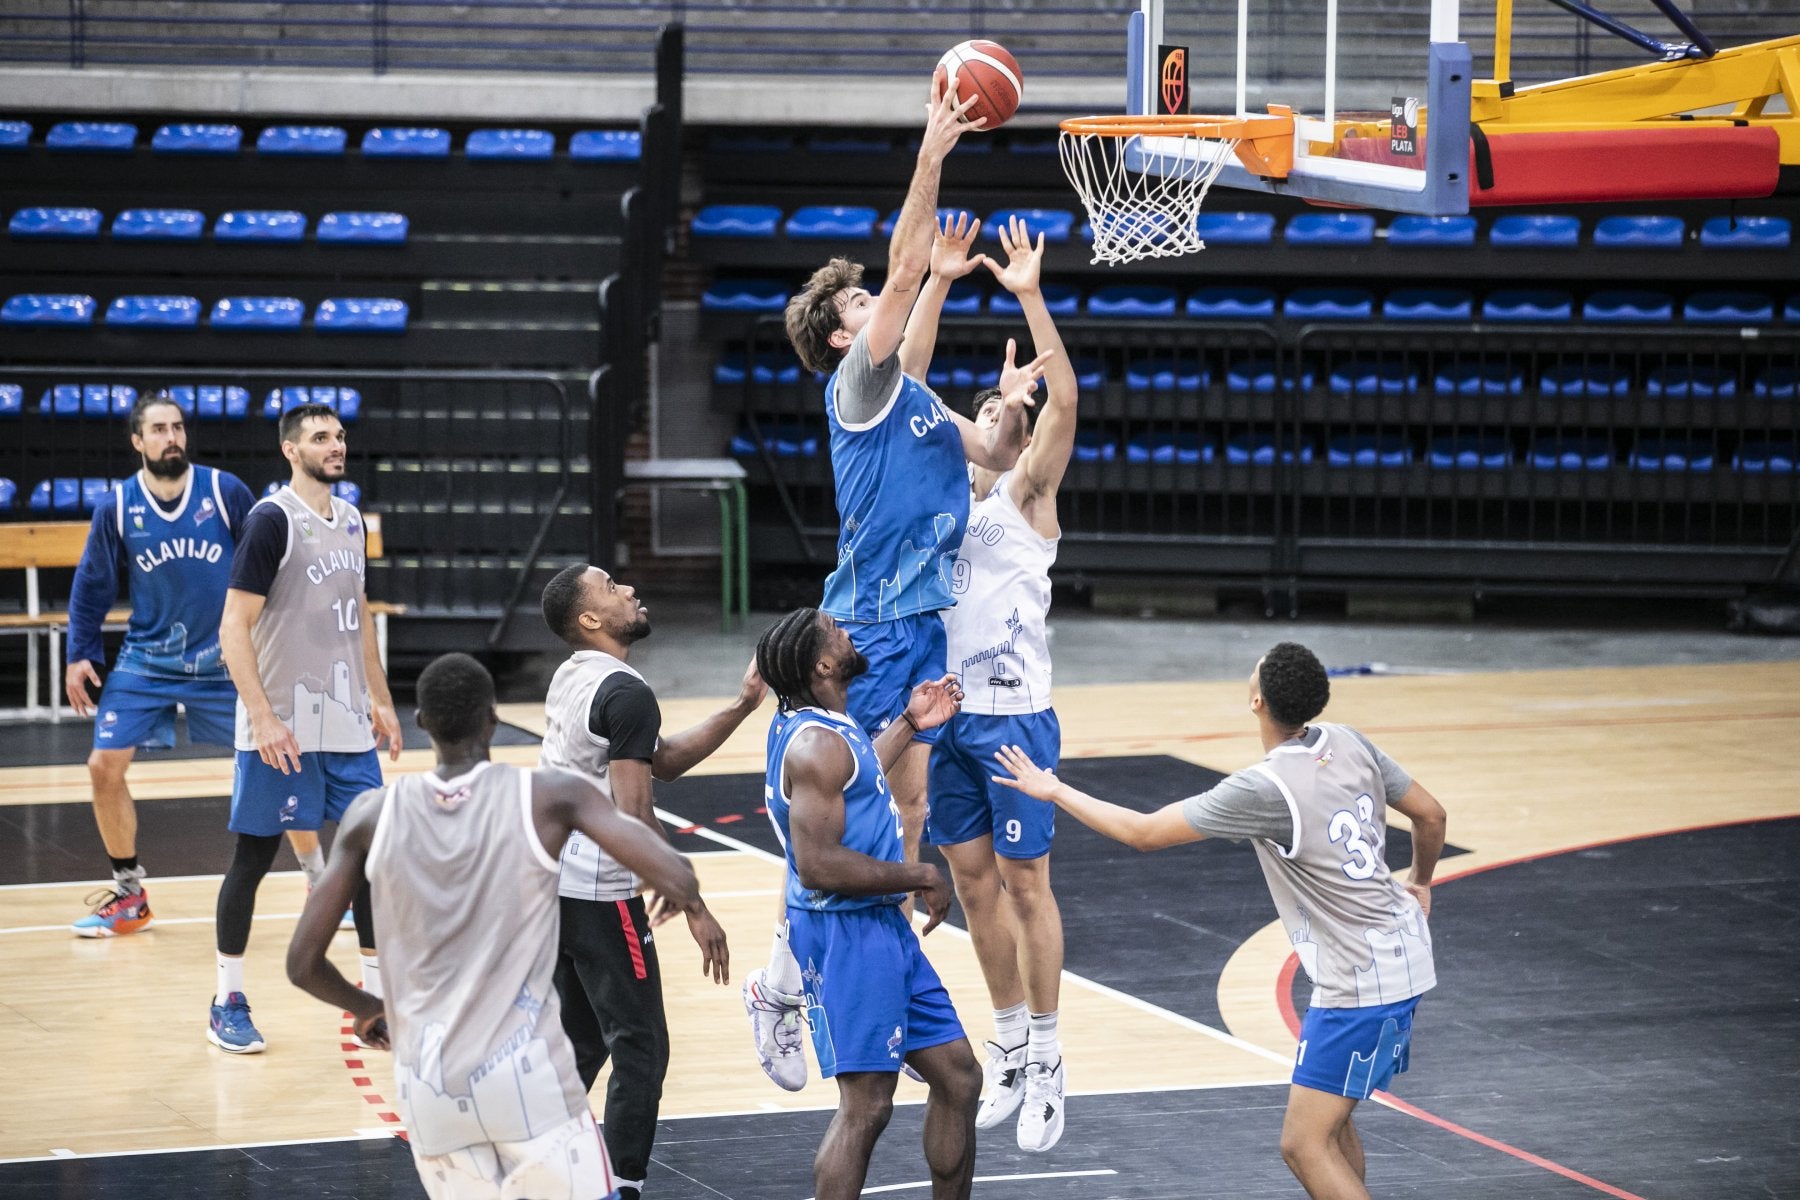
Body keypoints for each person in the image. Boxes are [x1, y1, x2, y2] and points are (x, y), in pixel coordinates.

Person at [750, 71, 1052, 1084]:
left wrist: (1009, 405)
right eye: (865, 303)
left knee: (908, 811)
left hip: (922, 627)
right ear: (844, 335)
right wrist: (932, 154)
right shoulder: (858, 383)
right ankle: (786, 975)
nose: (881, 306)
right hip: (872, 624)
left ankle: (855, 965)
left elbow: (998, 455)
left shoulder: (913, 396)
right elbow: (902, 265)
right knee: (858, 809)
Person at [992, 642, 1449, 1200]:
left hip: (1361, 980)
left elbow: (1143, 832)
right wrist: (1421, 881)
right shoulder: (1349, 740)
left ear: (1257, 700)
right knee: (1331, 1122)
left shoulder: (1265, 788)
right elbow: (1431, 814)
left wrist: (1054, 788)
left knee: (1302, 1145)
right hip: (1401, 948)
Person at [287, 652, 706, 1200]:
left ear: (421, 724)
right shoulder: (549, 796)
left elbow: (302, 964)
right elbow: (675, 875)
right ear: (492, 717)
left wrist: (366, 1007)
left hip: (429, 1082)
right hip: (525, 1076)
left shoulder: (370, 814)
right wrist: (683, 890)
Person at [923, 215, 1080, 1152]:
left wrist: (1028, 296)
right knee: (973, 887)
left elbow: (1066, 397)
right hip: (951, 719)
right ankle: (1012, 1037)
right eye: (983, 406)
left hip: (1017, 716)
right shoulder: (948, 496)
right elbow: (906, 396)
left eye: (1007, 411)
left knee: (1028, 888)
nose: (997, 410)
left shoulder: (1028, 494)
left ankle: (1053, 1055)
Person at [537, 562, 761, 1200]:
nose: (630, 588)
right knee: (642, 1049)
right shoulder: (626, 692)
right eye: (611, 587)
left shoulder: (577, 677)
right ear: (589, 619)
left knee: (582, 1041)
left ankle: (525, 1161)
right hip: (601, 894)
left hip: (554, 887)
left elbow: (659, 762)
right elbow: (635, 816)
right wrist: (693, 903)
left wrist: (744, 705)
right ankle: (622, 1187)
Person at [755, 607, 983, 1200]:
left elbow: (861, 778)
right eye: (836, 631)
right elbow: (818, 865)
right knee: (867, 1105)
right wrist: (919, 873)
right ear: (825, 664)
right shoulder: (813, 745)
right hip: (845, 935)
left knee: (958, 1077)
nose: (848, 632)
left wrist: (910, 720)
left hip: (880, 930)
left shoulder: (829, 723)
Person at [211, 402, 403, 1054]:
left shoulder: (351, 521)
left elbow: (360, 617)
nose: (336, 445)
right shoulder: (271, 521)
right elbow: (233, 626)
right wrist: (261, 717)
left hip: (346, 723)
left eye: (341, 435)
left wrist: (381, 698)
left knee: (375, 860)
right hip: (284, 727)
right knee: (254, 859)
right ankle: (226, 998)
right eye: (321, 437)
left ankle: (376, 1004)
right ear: (291, 450)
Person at [63, 390, 254, 936]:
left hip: (224, 658)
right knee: (103, 766)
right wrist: (80, 654)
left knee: (279, 759)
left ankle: (320, 881)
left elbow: (264, 566)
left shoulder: (223, 492)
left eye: (178, 427)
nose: (172, 437)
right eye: (160, 429)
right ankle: (129, 894)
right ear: (138, 441)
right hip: (148, 658)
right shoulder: (118, 506)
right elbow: (93, 586)